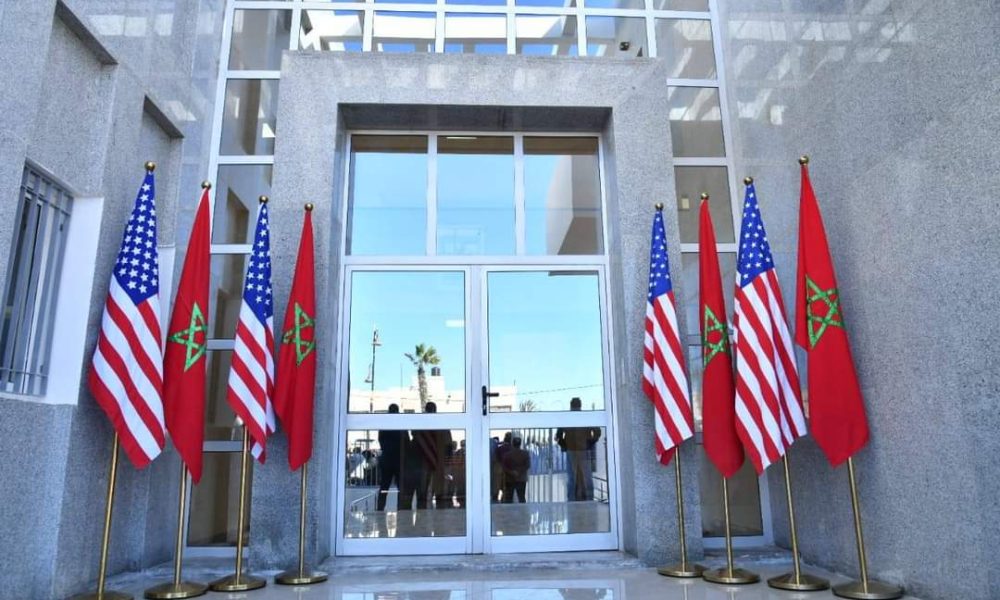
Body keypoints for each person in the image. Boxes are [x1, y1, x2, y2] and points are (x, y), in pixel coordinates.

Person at [555, 397, 601, 501]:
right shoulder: (585, 417)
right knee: (586, 476)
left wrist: (565, 445)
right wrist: (590, 443)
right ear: (580, 405)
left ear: (570, 406)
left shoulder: (567, 418)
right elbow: (597, 432)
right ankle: (589, 499)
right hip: (583, 449)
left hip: (572, 450)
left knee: (572, 477)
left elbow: (558, 435)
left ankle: (572, 500)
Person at [376, 404, 405, 511]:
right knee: (399, 488)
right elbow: (405, 440)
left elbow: (381, 441)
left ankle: (380, 509)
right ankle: (400, 509)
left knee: (384, 487)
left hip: (388, 459)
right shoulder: (400, 423)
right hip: (397, 459)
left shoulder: (385, 423)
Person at [501, 437, 530, 503]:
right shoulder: (525, 454)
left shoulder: (507, 455)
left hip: (510, 479)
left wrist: (512, 472)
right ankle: (523, 509)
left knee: (509, 498)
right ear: (520, 444)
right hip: (521, 478)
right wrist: (519, 472)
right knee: (521, 497)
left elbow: (504, 467)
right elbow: (527, 465)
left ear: (512, 444)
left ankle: (509, 510)